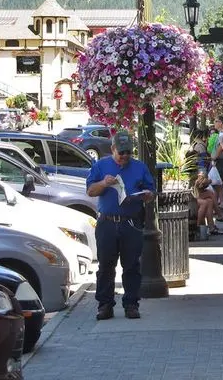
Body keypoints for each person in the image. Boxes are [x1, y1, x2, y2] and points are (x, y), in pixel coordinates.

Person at [86, 131, 155, 320]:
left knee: (131, 266)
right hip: (107, 222)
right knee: (106, 266)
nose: (125, 156)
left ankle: (131, 304)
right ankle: (105, 305)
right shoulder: (101, 166)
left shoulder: (139, 167)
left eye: (128, 152)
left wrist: (147, 195)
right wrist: (104, 183)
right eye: (121, 152)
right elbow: (90, 191)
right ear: (112, 149)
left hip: (130, 222)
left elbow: (150, 191)